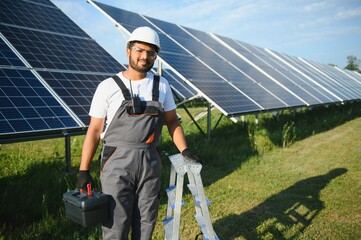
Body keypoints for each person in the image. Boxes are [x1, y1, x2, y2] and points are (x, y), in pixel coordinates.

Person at [76, 26, 201, 240]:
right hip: (116, 160)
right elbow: (95, 131)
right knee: (116, 223)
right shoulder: (108, 86)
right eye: (139, 50)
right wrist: (83, 170)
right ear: (128, 51)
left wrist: (185, 149)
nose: (145, 57)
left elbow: (172, 122)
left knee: (146, 220)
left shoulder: (162, 85)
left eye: (151, 53)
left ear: (155, 56)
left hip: (150, 160)